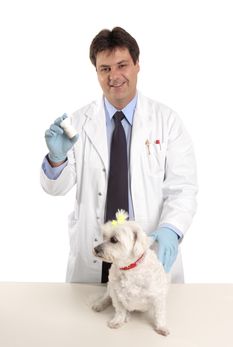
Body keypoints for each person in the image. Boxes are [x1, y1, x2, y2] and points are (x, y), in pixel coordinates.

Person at [41, 27, 198, 283]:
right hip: (93, 260)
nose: (114, 76)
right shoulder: (79, 124)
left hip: (148, 256)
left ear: (137, 65)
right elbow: (55, 188)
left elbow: (183, 188)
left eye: (122, 65)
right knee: (85, 318)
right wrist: (56, 159)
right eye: (105, 69)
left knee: (151, 319)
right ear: (97, 73)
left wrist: (170, 230)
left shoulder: (167, 121)